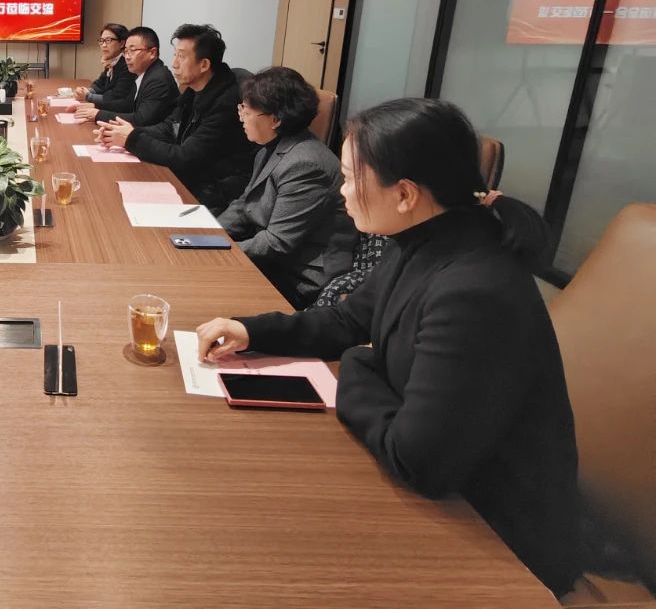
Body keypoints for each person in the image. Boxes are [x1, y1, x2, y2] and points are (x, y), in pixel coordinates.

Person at [195, 98, 581, 596]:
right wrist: (251, 330)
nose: (341, 190)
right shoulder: (425, 239)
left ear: (404, 194)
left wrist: (359, 361)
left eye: (349, 178)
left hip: (493, 538)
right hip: (443, 492)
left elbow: (416, 461)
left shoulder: (474, 290)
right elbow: (348, 319)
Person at [216, 66, 355, 308]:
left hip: (299, 278)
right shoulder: (273, 147)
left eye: (246, 111)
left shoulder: (305, 164)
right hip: (274, 262)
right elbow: (245, 204)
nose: (241, 117)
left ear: (275, 119)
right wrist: (209, 234)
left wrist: (219, 251)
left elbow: (277, 242)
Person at [99, 24, 254, 212]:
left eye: (181, 56)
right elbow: (169, 127)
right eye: (175, 55)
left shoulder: (226, 103)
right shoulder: (195, 89)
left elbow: (185, 158)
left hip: (214, 193)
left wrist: (131, 139)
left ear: (204, 64)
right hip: (192, 180)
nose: (174, 63)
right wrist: (123, 133)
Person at [81, 25, 178, 126]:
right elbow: (127, 105)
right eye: (126, 51)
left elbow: (141, 120)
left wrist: (98, 114)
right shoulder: (142, 74)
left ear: (152, 53)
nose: (127, 57)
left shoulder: (158, 79)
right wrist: (95, 106)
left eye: (133, 50)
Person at [73, 23, 135, 118]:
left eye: (108, 40)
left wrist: (87, 96)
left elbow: (115, 98)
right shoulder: (111, 61)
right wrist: (84, 91)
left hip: (122, 115)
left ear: (122, 43)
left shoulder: (127, 65)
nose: (104, 45)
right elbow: (100, 84)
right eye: (101, 41)